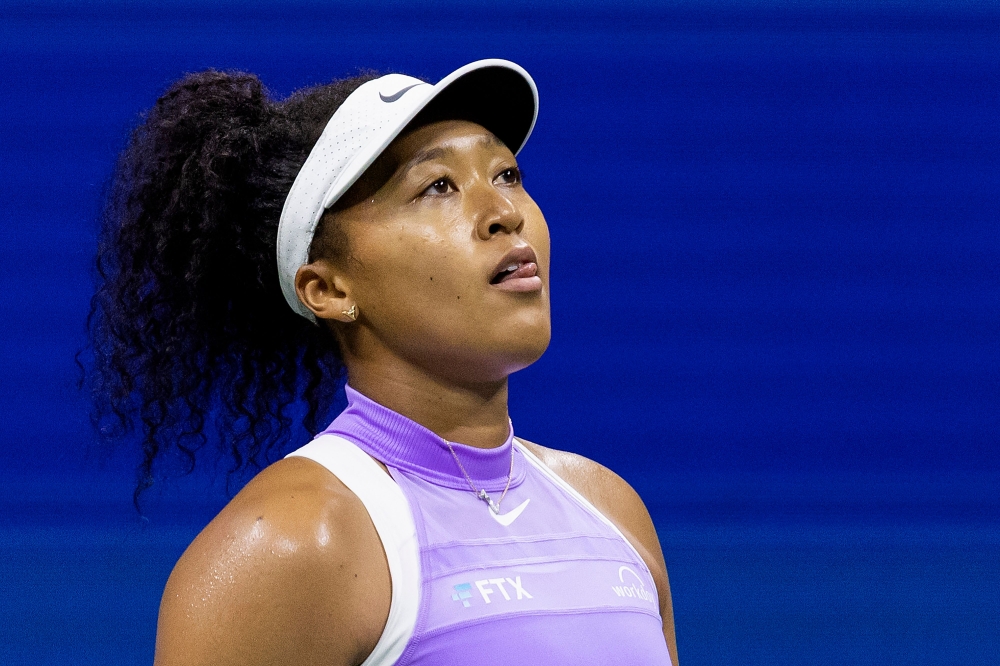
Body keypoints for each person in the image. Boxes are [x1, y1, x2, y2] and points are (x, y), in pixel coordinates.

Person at [90, 59, 679, 665]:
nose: (506, 212)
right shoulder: (293, 544)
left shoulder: (612, 511)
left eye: (506, 174)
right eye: (437, 186)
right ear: (329, 289)